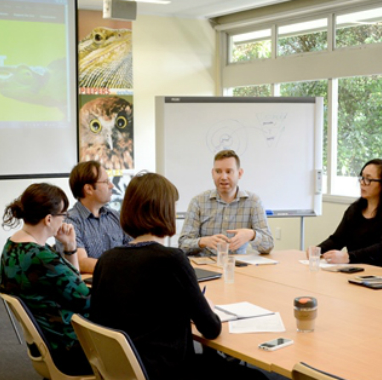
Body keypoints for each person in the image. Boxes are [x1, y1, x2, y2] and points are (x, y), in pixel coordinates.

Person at [91, 172, 268, 380]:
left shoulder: (106, 260)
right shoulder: (172, 260)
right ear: (165, 211)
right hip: (169, 370)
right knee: (257, 378)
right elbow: (211, 329)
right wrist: (207, 306)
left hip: (124, 370)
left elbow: (98, 322)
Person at [0, 183, 92, 376]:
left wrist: (70, 247)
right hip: (70, 348)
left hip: (49, 341)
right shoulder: (41, 259)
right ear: (49, 219)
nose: (65, 219)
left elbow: (73, 283)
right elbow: (86, 301)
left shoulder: (13, 246)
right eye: (63, 215)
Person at [179, 150, 274, 256]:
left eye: (229, 171)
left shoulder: (253, 202)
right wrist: (203, 241)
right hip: (205, 267)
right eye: (218, 171)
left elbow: (268, 245)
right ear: (212, 173)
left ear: (239, 173)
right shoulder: (198, 202)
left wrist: (252, 234)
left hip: (238, 266)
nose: (223, 177)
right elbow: (183, 245)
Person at [319, 159, 382, 268]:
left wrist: (348, 257)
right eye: (362, 178)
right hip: (354, 270)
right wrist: (317, 251)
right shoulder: (355, 209)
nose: (362, 183)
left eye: (368, 179)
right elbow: (338, 239)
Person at [58, 160, 132, 273]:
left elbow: (134, 250)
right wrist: (121, 267)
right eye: (106, 182)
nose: (112, 186)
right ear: (89, 189)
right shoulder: (70, 221)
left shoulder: (116, 217)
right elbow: (81, 262)